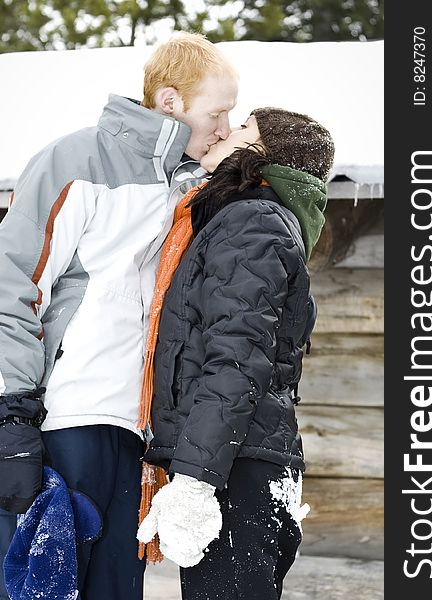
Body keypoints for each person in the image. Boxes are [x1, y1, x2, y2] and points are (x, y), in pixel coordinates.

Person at [0, 31, 238, 600]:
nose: (225, 127)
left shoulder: (189, 190)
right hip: (64, 420)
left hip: (135, 434)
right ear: (171, 102)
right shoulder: (76, 161)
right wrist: (13, 412)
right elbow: (11, 285)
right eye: (217, 113)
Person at [137, 108, 335, 599]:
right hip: (242, 461)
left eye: (244, 127)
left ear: (266, 154)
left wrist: (196, 479)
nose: (225, 133)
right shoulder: (250, 218)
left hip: (234, 470)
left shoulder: (253, 221)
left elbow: (237, 359)